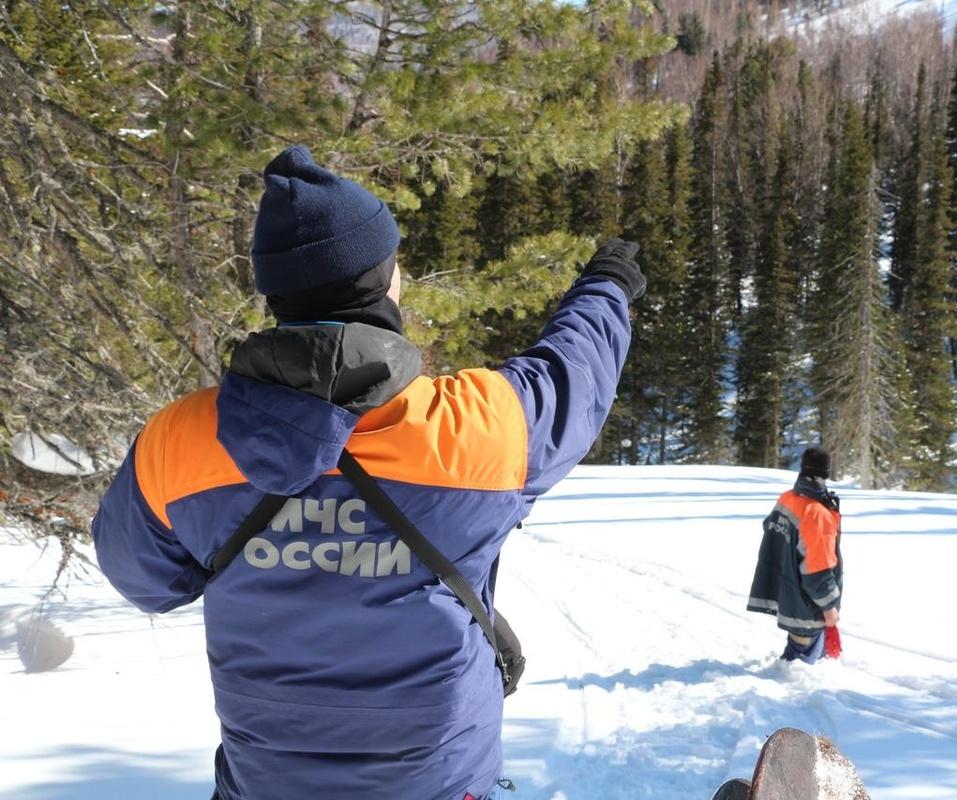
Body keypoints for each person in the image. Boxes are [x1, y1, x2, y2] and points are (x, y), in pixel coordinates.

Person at [90, 145, 643, 800]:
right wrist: (607, 287)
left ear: (275, 292)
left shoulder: (177, 441)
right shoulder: (480, 428)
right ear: (386, 280)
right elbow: (574, 377)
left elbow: (146, 581)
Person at [747, 447, 843, 664]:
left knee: (796, 658)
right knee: (799, 668)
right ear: (826, 473)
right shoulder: (817, 514)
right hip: (808, 604)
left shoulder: (788, 498)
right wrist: (828, 607)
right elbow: (816, 569)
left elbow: (770, 527)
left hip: (789, 593)